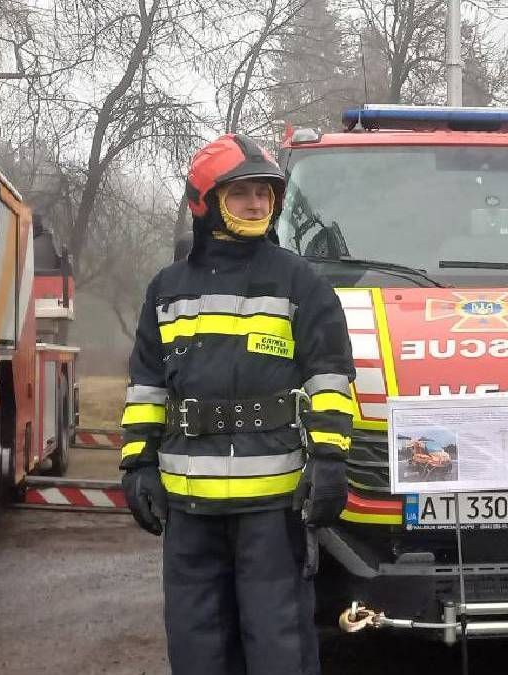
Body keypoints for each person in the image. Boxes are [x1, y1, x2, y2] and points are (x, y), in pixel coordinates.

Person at [118, 134, 355, 675]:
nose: (256, 204)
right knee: (196, 643)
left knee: (278, 644)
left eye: (265, 194)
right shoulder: (167, 289)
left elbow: (331, 377)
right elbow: (147, 386)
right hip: (188, 507)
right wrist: (137, 465)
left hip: (272, 509)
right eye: (242, 192)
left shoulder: (302, 282)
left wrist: (329, 460)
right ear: (205, 201)